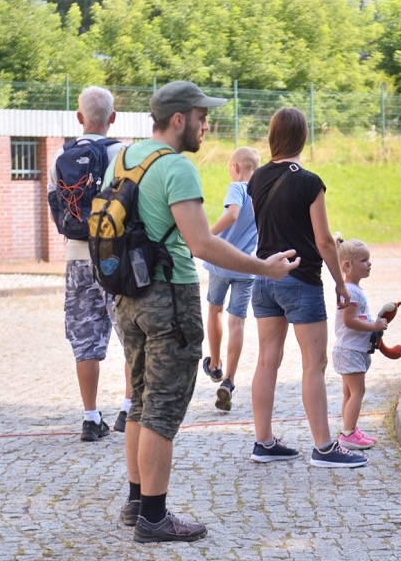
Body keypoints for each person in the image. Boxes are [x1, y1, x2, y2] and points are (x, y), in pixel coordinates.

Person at [112, 81, 299, 543]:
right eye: (201, 115)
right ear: (179, 120)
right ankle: (154, 517)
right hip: (167, 299)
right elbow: (202, 243)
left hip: (127, 295)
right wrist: (263, 267)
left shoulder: (127, 158)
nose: (206, 123)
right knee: (162, 409)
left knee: (139, 398)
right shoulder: (176, 168)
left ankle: (136, 502)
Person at [247, 107, 368, 469]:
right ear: (303, 136)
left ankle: (264, 441)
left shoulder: (256, 179)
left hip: (265, 277)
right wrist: (340, 283)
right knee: (313, 363)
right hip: (301, 280)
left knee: (267, 361)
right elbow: (325, 241)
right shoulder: (309, 181)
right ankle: (324, 447)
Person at [48, 86, 132, 442]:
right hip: (116, 259)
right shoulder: (125, 155)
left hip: (77, 259)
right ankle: (129, 410)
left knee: (85, 339)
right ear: (112, 118)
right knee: (133, 335)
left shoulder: (60, 159)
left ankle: (90, 417)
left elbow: (57, 210)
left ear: (80, 118)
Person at [200, 146, 261, 411]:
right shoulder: (263, 193)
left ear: (236, 168)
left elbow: (232, 214)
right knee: (237, 321)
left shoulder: (238, 187)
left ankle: (214, 364)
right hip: (248, 265)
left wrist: (206, 236)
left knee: (215, 309)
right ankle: (229, 380)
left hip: (221, 261)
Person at [332, 236, 385, 450]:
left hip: (350, 349)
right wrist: (374, 327)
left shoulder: (353, 289)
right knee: (357, 392)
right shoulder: (351, 291)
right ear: (347, 265)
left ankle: (349, 428)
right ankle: (348, 434)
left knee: (348, 393)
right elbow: (349, 320)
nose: (369, 264)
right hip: (350, 350)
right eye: (363, 260)